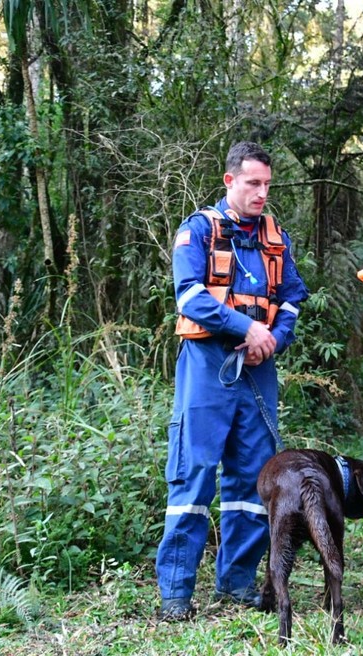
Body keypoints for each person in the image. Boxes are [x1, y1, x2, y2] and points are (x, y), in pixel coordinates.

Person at [156, 141, 309, 620]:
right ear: (230, 181)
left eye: (267, 184)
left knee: (254, 479)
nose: (262, 193)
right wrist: (247, 328)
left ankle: (236, 584)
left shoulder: (274, 236)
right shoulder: (197, 230)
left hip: (258, 370)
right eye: (253, 184)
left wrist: (273, 340)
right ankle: (176, 594)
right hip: (207, 364)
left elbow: (292, 299)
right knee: (194, 472)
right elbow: (190, 297)